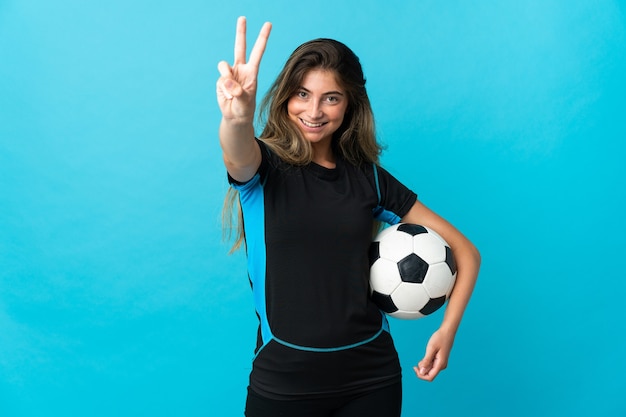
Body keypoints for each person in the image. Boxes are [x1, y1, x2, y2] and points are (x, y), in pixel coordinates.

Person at [216, 16, 481, 417]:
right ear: (286, 95)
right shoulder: (262, 168)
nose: (314, 111)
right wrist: (237, 119)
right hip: (284, 382)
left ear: (350, 104)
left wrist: (447, 331)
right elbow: (237, 152)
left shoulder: (368, 178)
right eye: (302, 94)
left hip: (371, 380)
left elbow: (465, 252)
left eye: (331, 98)